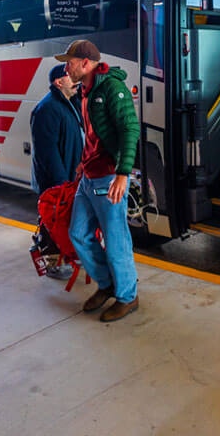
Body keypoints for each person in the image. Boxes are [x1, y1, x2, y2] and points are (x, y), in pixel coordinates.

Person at [59, 40, 141, 322]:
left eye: (69, 62)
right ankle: (107, 284)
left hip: (109, 177)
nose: (65, 67)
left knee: (116, 239)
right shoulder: (85, 90)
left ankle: (128, 297)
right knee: (78, 233)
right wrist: (83, 163)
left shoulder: (111, 88)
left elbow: (130, 129)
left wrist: (123, 172)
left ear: (85, 63)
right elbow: (93, 135)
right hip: (90, 175)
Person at [30, 64, 84, 280]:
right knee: (51, 222)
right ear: (58, 82)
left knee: (66, 220)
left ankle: (69, 255)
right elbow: (47, 152)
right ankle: (52, 262)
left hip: (71, 175)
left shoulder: (69, 103)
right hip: (55, 181)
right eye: (71, 77)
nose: (76, 81)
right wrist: (61, 183)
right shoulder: (47, 109)